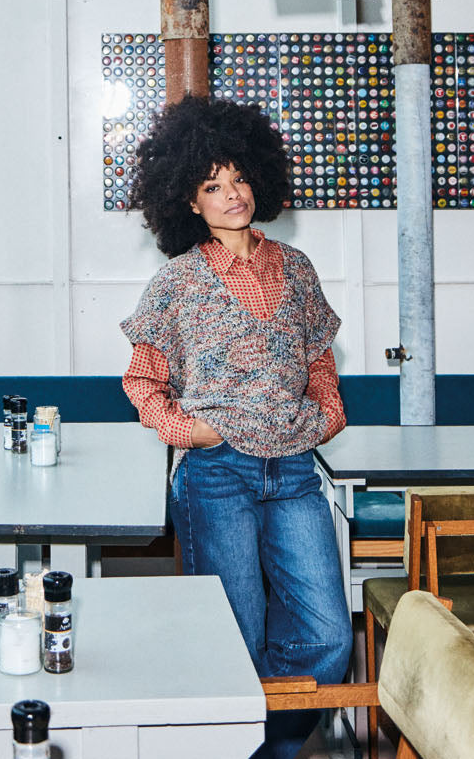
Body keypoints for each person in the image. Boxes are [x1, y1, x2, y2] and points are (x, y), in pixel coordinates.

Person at [120, 95, 353, 759]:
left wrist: (327, 414)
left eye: (240, 178)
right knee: (235, 639)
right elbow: (142, 381)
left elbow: (318, 359)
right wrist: (192, 432)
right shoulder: (176, 283)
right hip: (217, 477)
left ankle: (264, 749)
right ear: (188, 202)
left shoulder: (297, 269)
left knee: (328, 637)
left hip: (295, 474)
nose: (233, 195)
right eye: (213, 186)